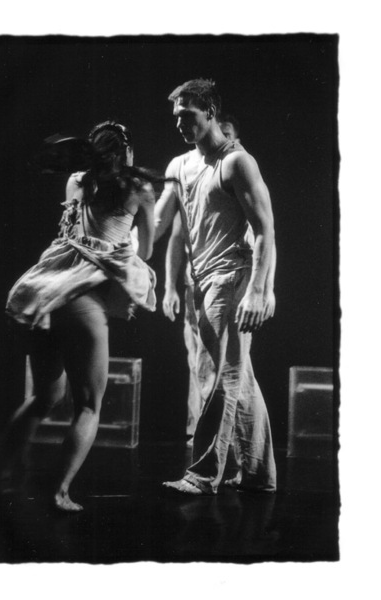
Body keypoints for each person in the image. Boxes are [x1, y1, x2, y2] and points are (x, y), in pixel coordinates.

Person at [0, 121, 160, 512]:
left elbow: (73, 233)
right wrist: (127, 241)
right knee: (88, 405)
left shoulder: (75, 182)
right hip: (81, 300)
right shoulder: (139, 190)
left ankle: (0, 475)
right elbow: (147, 252)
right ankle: (58, 493)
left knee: (45, 396)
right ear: (126, 152)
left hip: (44, 293)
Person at [154, 79, 277, 495]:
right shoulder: (179, 166)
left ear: (209, 111)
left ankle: (203, 475)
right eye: (176, 117)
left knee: (221, 373)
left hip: (231, 277)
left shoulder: (237, 163)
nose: (179, 124)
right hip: (200, 281)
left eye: (186, 115)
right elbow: (158, 224)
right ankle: (259, 476)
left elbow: (265, 230)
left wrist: (259, 290)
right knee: (240, 377)